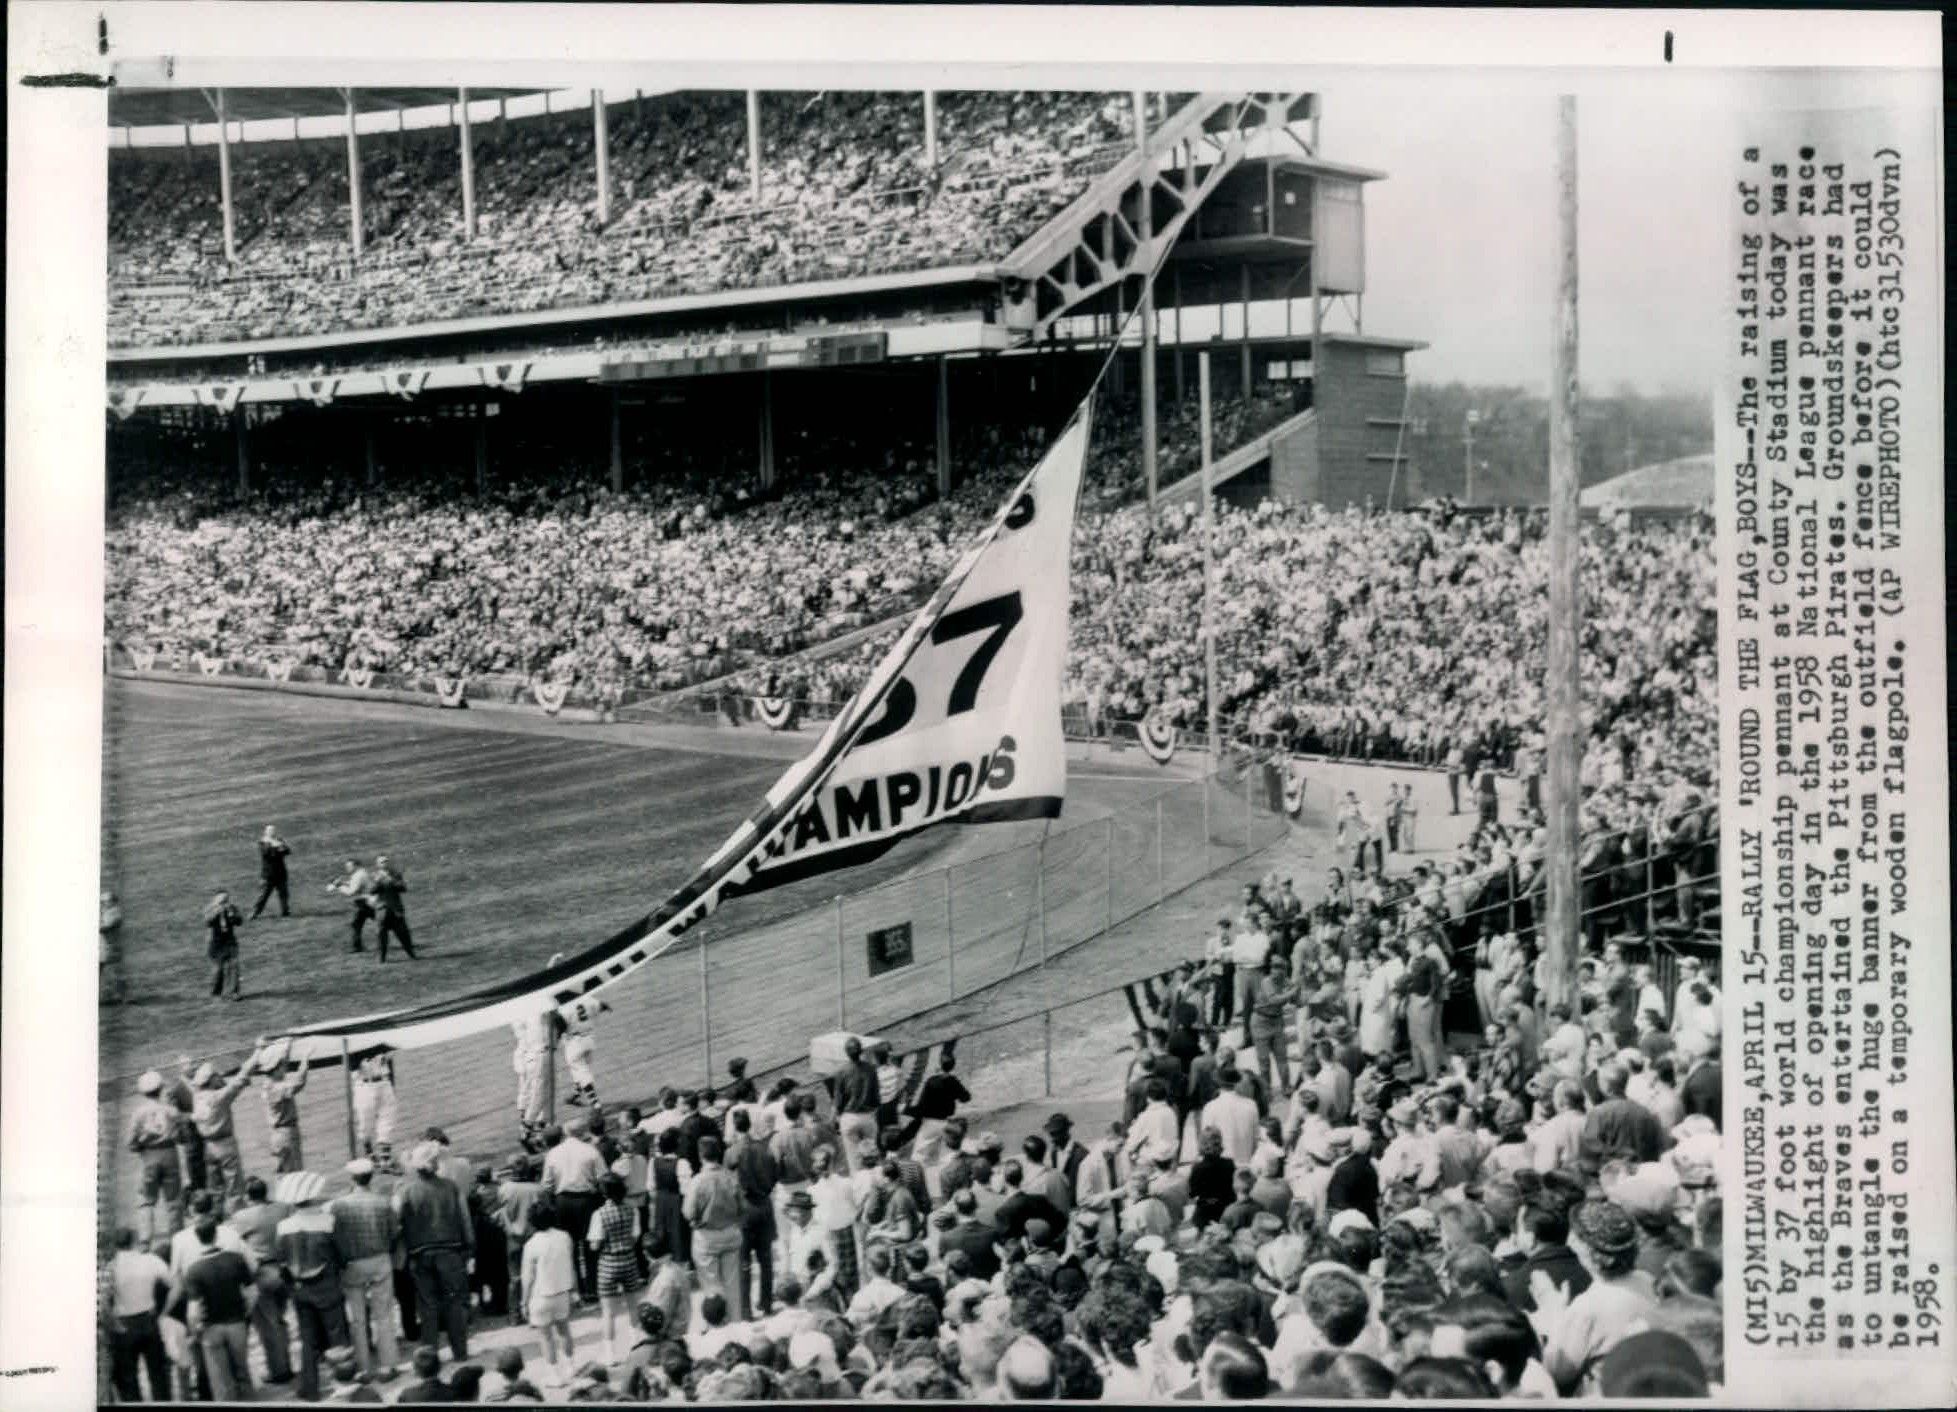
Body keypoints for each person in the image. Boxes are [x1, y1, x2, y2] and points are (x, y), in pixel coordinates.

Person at [276, 1171, 353, 1400]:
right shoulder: (327, 1222)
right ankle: (342, 1381)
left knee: (308, 1340)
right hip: (327, 1287)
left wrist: (292, 1285)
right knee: (337, 1336)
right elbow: (342, 1256)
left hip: (301, 1290)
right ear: (312, 1198)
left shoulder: (283, 1227)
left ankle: (310, 1389)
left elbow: (282, 1262)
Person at [394, 1139, 473, 1362]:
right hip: (450, 1252)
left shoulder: (406, 1191)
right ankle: (460, 1351)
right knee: (454, 1302)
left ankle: (430, 1356)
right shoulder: (451, 1187)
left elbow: (396, 1224)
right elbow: (465, 1220)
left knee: (427, 1306)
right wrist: (469, 1246)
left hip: (420, 1254)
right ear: (434, 1164)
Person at [331, 1155, 403, 1384]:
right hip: (380, 1258)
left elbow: (335, 1237)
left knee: (358, 1319)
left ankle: (362, 1368)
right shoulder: (383, 1201)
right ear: (370, 1177)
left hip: (353, 1262)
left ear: (352, 1178)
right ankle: (388, 1365)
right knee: (384, 1314)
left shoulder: (339, 1205)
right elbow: (394, 1233)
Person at [175, 1214, 256, 1401]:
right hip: (237, 1323)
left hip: (211, 1328)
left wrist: (196, 1331)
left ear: (197, 1238)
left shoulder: (194, 1270)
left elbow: (193, 1312)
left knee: (220, 1381)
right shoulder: (236, 1259)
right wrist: (246, 1312)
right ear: (216, 1234)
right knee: (243, 1372)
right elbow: (253, 1292)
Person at [228, 1175, 295, 1386]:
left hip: (262, 1271)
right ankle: (285, 1363)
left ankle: (280, 1370)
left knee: (268, 1325)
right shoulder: (282, 1208)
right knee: (280, 1319)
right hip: (284, 1269)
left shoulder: (242, 1216)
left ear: (249, 1196)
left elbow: (231, 1238)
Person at [541, 1116, 606, 1303]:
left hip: (563, 1202)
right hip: (586, 1200)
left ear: (566, 1133)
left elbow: (547, 1184)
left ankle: (574, 1291)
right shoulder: (590, 1151)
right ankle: (591, 1289)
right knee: (589, 1245)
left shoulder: (553, 1154)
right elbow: (602, 1177)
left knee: (568, 1247)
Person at [103, 1226, 173, 1402]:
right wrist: (163, 1310)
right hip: (149, 1319)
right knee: (158, 1375)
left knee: (129, 1380)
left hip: (124, 1323)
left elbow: (104, 1301)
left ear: (115, 1244)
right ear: (134, 1241)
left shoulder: (110, 1267)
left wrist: (114, 1324)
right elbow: (173, 1282)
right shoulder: (150, 1260)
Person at [683, 1135, 746, 1320]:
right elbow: (742, 1206)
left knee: (711, 1284)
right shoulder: (730, 1177)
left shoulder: (698, 1181)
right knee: (732, 1283)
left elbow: (688, 1212)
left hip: (707, 1235)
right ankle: (735, 1321)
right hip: (730, 1231)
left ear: (701, 1156)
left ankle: (717, 1322)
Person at [586, 1172, 644, 1364]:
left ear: (604, 1193)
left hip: (608, 1262)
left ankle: (610, 1354)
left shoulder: (599, 1214)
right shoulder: (632, 1210)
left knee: (608, 1312)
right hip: (628, 1259)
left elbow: (594, 1244)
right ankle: (636, 1345)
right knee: (633, 1306)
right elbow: (635, 1237)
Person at [729, 1107, 780, 1318]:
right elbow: (774, 1173)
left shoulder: (732, 1152)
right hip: (764, 1204)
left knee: (743, 1261)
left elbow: (729, 1184)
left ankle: (745, 1309)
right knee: (765, 1258)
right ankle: (766, 1303)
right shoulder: (763, 1147)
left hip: (744, 1210)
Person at [519, 1204, 578, 1376]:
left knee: (545, 1337)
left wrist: (524, 1301)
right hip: (562, 1291)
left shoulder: (530, 1245)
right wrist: (574, 1290)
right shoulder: (565, 1237)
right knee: (564, 1331)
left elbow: (528, 1278)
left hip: (541, 1295)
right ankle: (571, 1366)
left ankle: (554, 1375)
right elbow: (571, 1265)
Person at [127, 1070, 185, 1241]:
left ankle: (145, 1240)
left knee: (146, 1200)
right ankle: (177, 1239)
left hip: (149, 1157)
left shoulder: (138, 1114)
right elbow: (182, 1136)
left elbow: (131, 1142)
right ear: (160, 1089)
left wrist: (141, 1147)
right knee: (173, 1200)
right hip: (169, 1153)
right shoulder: (171, 1111)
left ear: (143, 1092)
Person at [189, 1060, 252, 1210]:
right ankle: (238, 1220)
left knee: (216, 1190)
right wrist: (256, 1053)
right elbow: (241, 1079)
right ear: (211, 1079)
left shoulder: (197, 1097)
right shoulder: (219, 1097)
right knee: (234, 1188)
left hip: (209, 1147)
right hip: (225, 1145)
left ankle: (217, 1221)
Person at [255, 1047, 311, 1174]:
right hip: (287, 1134)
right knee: (295, 1172)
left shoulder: (268, 1084)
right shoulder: (277, 1088)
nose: (284, 1068)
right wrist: (304, 1061)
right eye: (281, 1066)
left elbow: (282, 1065)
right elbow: (299, 1083)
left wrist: (288, 1047)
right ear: (275, 1070)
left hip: (276, 1134)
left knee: (282, 1172)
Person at [833, 1037, 882, 1173]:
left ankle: (859, 1185)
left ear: (846, 1052)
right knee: (872, 1156)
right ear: (861, 1051)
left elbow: (838, 1100)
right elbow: (877, 1096)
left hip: (849, 1117)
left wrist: (837, 1118)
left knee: (853, 1159)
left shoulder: (841, 1071)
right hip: (867, 1115)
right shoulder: (871, 1069)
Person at [352, 1049, 401, 1170]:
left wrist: (391, 1085)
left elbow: (389, 1061)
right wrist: (368, 1051)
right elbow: (352, 1065)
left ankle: (385, 1159)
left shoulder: (380, 1042)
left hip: (384, 1082)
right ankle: (370, 1155)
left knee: (388, 1119)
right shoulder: (357, 1044)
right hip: (365, 1084)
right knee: (365, 1123)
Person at [371, 854, 418, 961]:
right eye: (382, 862)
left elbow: (403, 888)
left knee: (403, 933)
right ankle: (382, 958)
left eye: (386, 861)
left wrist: (391, 881)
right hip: (382, 910)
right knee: (381, 935)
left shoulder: (395, 874)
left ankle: (411, 954)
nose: (384, 863)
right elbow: (371, 891)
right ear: (377, 864)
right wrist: (378, 882)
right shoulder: (374, 875)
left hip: (395, 909)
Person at [328, 857, 377, 954]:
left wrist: (338, 887)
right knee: (356, 924)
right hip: (365, 903)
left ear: (356, 866)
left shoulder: (359, 875)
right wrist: (341, 883)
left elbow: (351, 892)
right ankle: (357, 947)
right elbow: (353, 884)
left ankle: (357, 947)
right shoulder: (360, 873)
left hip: (367, 903)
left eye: (349, 866)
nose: (347, 868)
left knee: (383, 922)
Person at [205, 890, 244, 1000]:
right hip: (215, 944)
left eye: (226, 900)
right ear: (215, 901)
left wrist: (232, 916)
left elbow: (240, 922)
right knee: (218, 969)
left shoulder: (232, 908)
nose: (224, 903)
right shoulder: (210, 909)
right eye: (221, 901)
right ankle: (216, 992)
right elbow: (207, 922)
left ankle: (234, 992)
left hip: (230, 942)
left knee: (234, 965)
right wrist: (217, 913)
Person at [253, 823, 293, 919]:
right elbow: (268, 854)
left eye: (273, 831)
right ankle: (255, 912)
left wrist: (278, 848)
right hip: (268, 875)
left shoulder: (279, 840)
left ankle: (285, 911)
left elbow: (287, 851)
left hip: (281, 873)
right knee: (263, 895)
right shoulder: (262, 842)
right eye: (270, 831)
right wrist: (278, 848)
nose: (272, 832)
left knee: (284, 894)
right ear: (266, 832)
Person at [100, 888, 128, 1005]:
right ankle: (105, 996)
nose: (102, 904)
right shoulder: (105, 913)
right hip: (103, 949)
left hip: (112, 949)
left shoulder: (115, 914)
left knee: (116, 973)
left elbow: (106, 927)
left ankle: (122, 998)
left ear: (111, 902)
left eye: (104, 902)